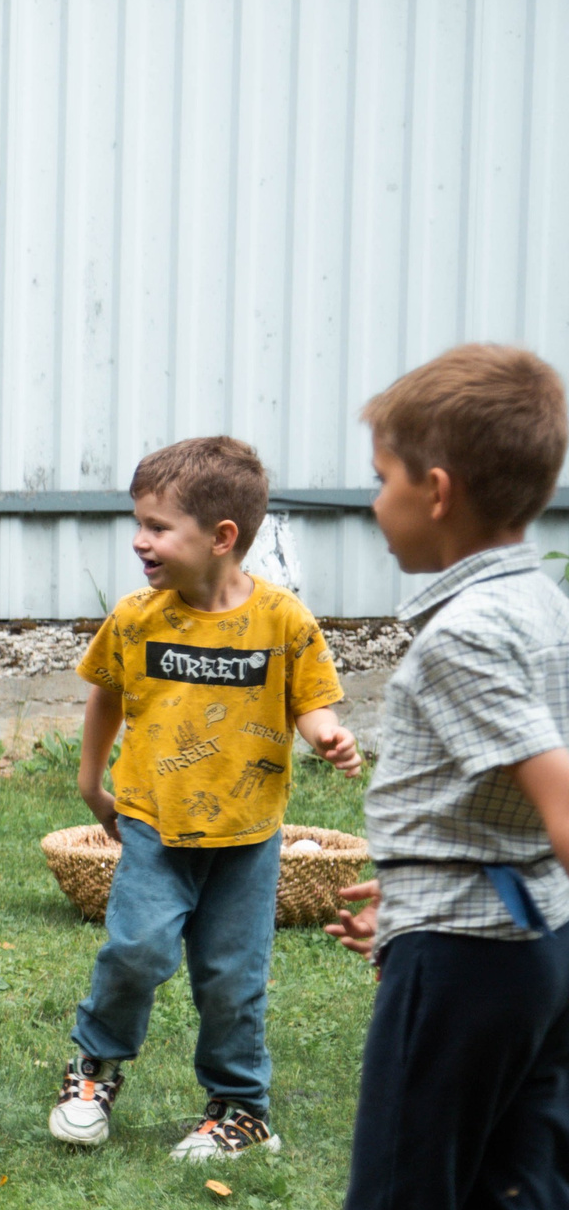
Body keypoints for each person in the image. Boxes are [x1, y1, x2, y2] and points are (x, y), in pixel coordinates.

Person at [264, 347, 569, 1210]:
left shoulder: (464, 636)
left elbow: (555, 800)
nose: (374, 500)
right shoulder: (539, 598)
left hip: (471, 965)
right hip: (522, 944)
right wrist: (419, 896)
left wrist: (436, 922)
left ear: (435, 490)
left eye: (382, 478)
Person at [41, 437, 358, 1159]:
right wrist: (92, 782)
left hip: (248, 838)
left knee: (232, 978)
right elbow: (106, 698)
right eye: (139, 521)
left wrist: (328, 734)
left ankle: (241, 1109)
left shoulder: (284, 621)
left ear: (222, 538)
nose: (139, 539)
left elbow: (310, 702)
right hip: (154, 824)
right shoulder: (136, 616)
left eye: (157, 526)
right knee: (136, 948)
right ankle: (93, 1070)